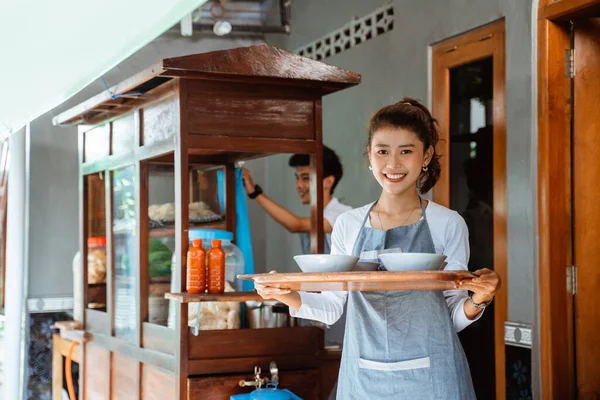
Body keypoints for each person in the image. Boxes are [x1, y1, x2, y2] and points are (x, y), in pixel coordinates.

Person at [253, 98, 501, 399]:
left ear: (426, 156)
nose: (393, 164)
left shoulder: (447, 223)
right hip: (363, 377)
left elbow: (451, 316)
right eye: (382, 151)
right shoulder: (348, 224)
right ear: (370, 157)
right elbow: (332, 307)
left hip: (433, 377)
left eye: (406, 152)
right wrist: (283, 292)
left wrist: (480, 299)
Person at [242, 146, 352, 255]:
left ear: (328, 182)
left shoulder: (341, 214)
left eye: (305, 178)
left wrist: (254, 193)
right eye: (297, 178)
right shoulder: (320, 214)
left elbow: (296, 225)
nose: (298, 185)